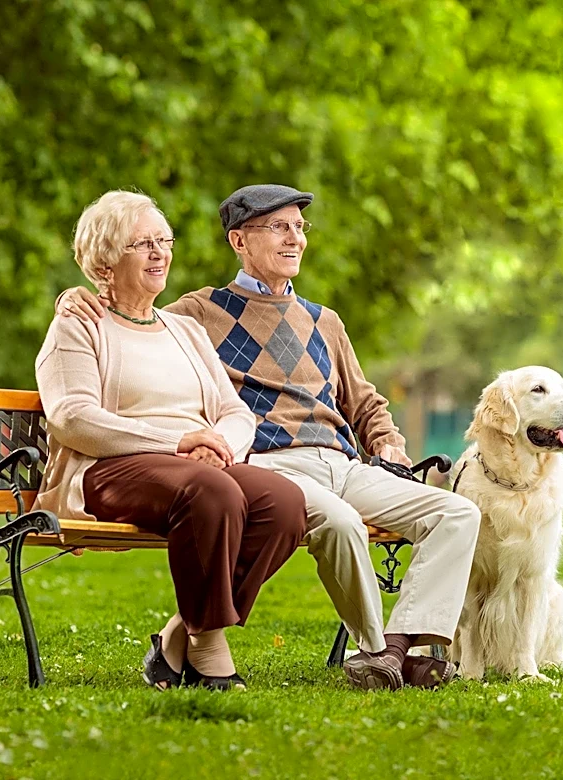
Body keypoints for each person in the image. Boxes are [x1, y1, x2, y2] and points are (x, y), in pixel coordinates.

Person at [57, 184, 481, 691]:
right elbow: (128, 309)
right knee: (336, 523)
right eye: (279, 227)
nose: (294, 239)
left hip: (342, 462)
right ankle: (375, 652)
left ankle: (395, 647)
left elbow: (364, 402)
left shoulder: (326, 321)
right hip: (270, 460)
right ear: (239, 241)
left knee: (457, 513)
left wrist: (387, 441)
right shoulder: (201, 312)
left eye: (299, 228)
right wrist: (76, 294)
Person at [36, 190, 306, 691]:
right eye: (143, 243)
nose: (160, 252)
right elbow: (73, 417)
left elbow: (234, 410)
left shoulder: (185, 329)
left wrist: (218, 443)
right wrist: (179, 441)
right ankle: (209, 647)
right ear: (106, 258)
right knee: (213, 491)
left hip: (197, 464)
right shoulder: (77, 324)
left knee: (284, 501)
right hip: (111, 467)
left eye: (165, 241)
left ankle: (180, 634)